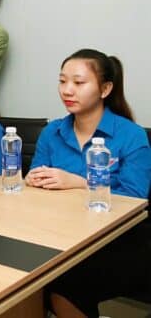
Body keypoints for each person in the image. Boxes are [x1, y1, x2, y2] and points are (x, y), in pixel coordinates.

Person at [26, 49, 151, 317]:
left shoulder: (131, 135)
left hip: (121, 241)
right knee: (24, 275)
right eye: (62, 81)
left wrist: (80, 182)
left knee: (61, 284)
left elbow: (134, 198)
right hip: (60, 234)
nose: (67, 90)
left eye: (79, 82)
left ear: (105, 89)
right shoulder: (52, 131)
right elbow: (37, 178)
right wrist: (33, 179)